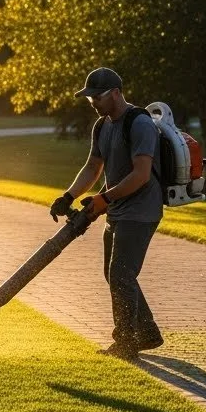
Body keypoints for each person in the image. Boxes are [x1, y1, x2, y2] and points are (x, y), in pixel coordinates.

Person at [49, 67, 164, 360]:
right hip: (116, 208)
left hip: (141, 211)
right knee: (114, 274)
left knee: (121, 274)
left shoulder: (140, 124)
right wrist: (69, 196)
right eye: (90, 99)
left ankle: (125, 344)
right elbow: (93, 167)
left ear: (115, 93)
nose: (93, 103)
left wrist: (103, 199)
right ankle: (147, 332)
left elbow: (141, 176)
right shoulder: (102, 126)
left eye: (97, 97)